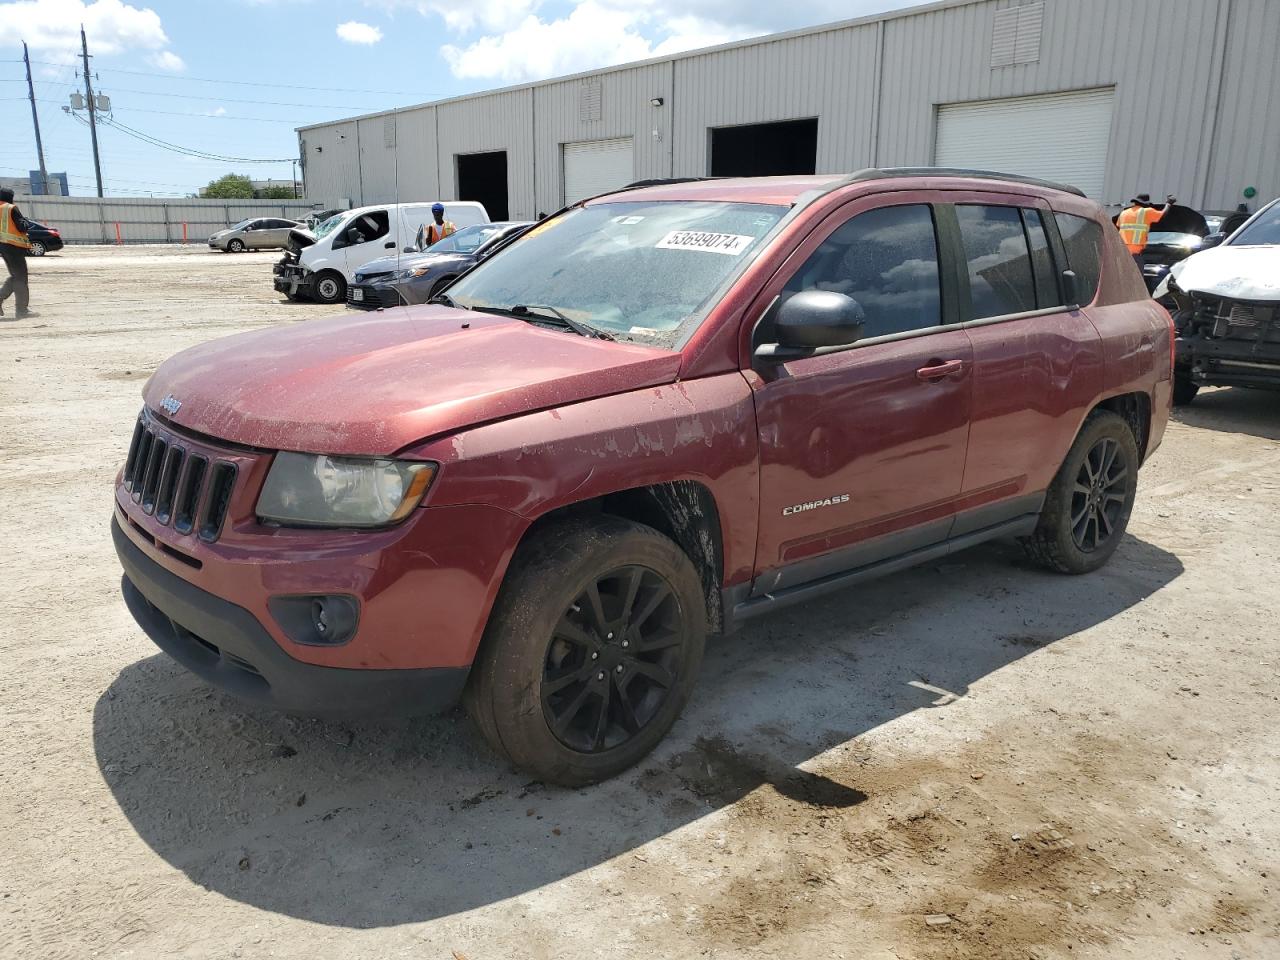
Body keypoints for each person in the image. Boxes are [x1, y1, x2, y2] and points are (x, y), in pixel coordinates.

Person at [0, 186, 33, 320]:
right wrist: (26, 221)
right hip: (14, 247)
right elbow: (22, 226)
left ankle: (21, 309)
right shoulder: (10, 208)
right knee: (20, 278)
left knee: (17, 277)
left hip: (3, 247)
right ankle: (22, 310)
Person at [1117, 193, 1175, 268]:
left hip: (1121, 251)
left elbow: (1118, 227)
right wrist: (1168, 203)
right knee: (1136, 278)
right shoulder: (1146, 212)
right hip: (1135, 254)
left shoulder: (1123, 213)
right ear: (1145, 203)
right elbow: (1162, 214)